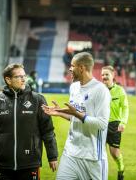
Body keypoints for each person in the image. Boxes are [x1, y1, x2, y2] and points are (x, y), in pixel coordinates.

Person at [0, 63, 58, 180]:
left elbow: (48, 131)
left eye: (24, 76)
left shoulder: (38, 100)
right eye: (19, 77)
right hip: (2, 164)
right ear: (8, 79)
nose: (23, 79)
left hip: (30, 163)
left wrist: (52, 156)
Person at [42, 52, 111, 180]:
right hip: (71, 153)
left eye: (72, 66)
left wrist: (77, 114)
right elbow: (75, 117)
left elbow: (102, 124)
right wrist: (59, 112)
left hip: (93, 157)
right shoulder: (74, 87)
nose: (70, 69)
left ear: (82, 68)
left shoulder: (101, 90)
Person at [101, 65, 129, 180]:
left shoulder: (120, 91)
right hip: (100, 123)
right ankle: (100, 175)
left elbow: (125, 108)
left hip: (114, 125)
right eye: (102, 74)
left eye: (107, 74)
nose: (104, 77)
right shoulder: (99, 90)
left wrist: (123, 122)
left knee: (114, 152)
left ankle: (121, 167)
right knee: (99, 153)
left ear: (113, 76)